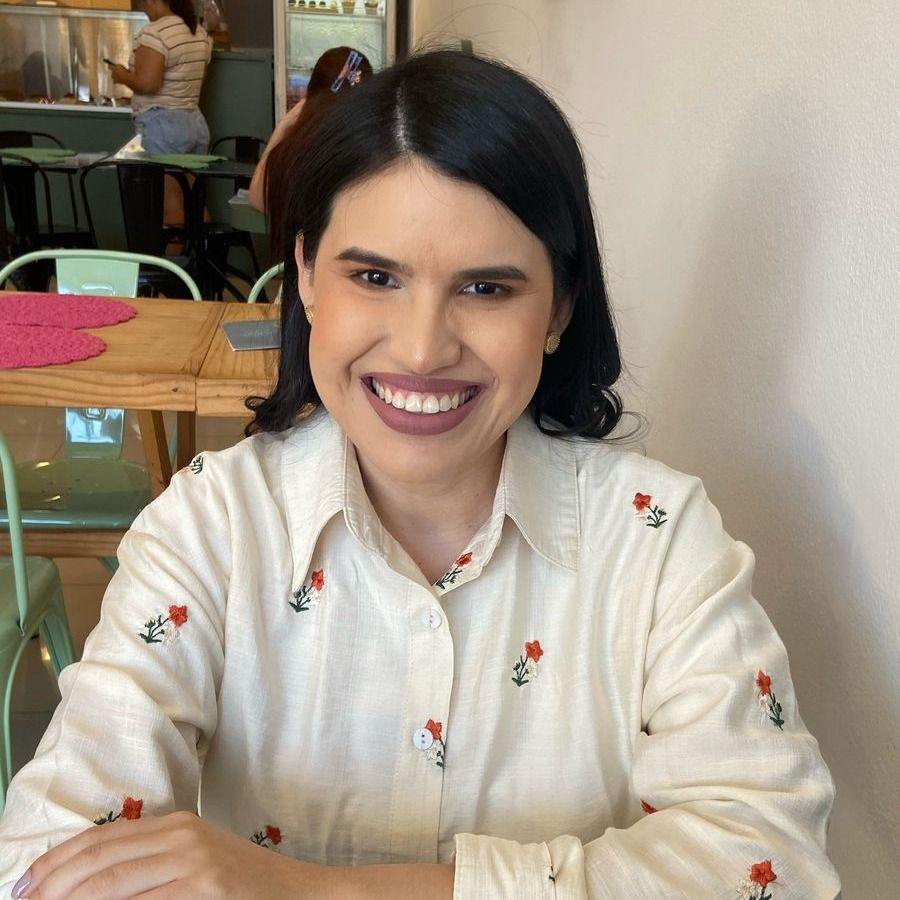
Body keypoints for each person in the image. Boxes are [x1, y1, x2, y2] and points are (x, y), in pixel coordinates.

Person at [0, 51, 840, 899]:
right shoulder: (212, 526)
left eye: (487, 288)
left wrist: (314, 892)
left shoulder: (661, 543)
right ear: (307, 278)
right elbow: (44, 853)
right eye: (375, 277)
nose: (422, 349)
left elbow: (775, 859)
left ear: (560, 307)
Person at [248, 46, 373, 253]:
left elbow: (256, 198)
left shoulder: (290, 152)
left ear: (310, 91)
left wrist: (282, 127)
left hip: (294, 271)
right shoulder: (368, 151)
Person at [109, 0, 212, 224]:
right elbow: (199, 80)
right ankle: (204, 247)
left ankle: (174, 250)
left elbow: (148, 84)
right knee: (195, 201)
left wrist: (121, 74)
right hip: (194, 121)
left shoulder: (155, 34)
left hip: (163, 125)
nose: (144, 10)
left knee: (170, 206)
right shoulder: (198, 33)